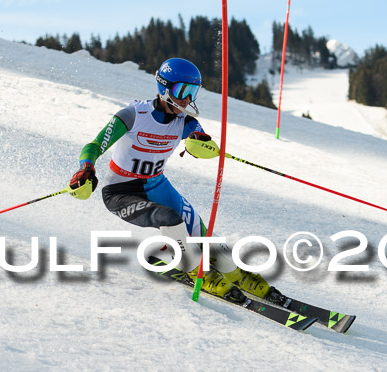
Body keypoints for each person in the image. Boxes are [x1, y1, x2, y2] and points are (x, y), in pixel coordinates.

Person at [68, 57, 280, 302]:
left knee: (205, 237)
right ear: (164, 88)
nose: (187, 100)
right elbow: (94, 145)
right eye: (183, 91)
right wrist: (86, 168)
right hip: (121, 192)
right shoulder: (133, 115)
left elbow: (198, 136)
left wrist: (202, 143)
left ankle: (238, 274)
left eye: (193, 93)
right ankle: (194, 269)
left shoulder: (185, 121)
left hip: (157, 185)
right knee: (170, 219)